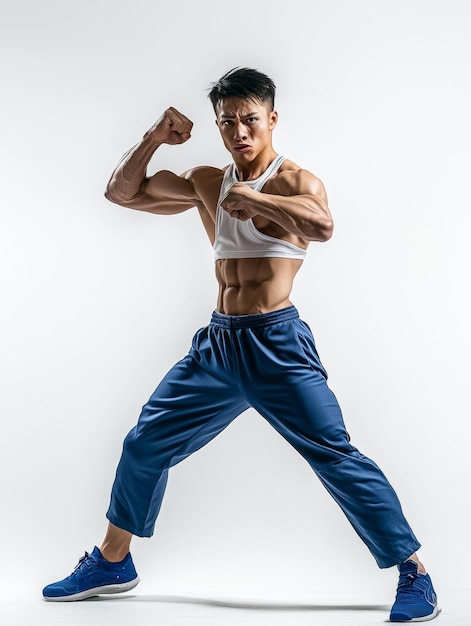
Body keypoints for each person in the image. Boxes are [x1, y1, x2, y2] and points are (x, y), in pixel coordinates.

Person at [42, 67, 440, 622]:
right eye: (227, 123)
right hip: (219, 347)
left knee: (335, 456)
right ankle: (113, 562)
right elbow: (121, 192)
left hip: (277, 343)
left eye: (250, 119)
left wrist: (260, 202)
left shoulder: (296, 181)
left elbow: (322, 226)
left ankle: (413, 572)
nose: (239, 132)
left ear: (271, 119)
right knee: (143, 443)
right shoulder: (208, 181)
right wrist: (154, 138)